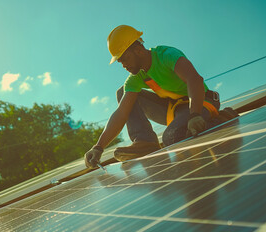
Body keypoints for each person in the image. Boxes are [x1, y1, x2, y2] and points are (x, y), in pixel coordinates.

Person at [85, 25, 228, 169]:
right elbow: (121, 113)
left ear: (138, 50)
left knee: (171, 137)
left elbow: (194, 79)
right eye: (120, 61)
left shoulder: (166, 55)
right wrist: (98, 147)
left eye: (125, 58)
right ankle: (145, 142)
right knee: (122, 92)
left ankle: (221, 119)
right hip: (176, 109)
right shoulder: (137, 77)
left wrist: (195, 114)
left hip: (200, 101)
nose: (123, 65)